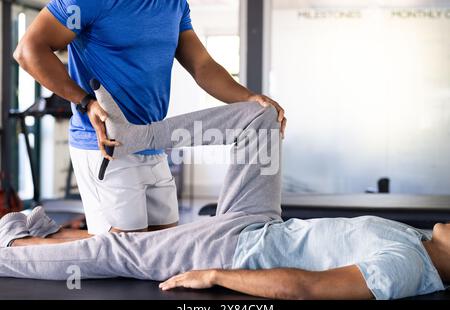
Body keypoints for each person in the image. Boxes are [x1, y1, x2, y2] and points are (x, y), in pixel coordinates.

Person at [0, 87, 447, 300]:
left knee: (117, 250)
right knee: (262, 118)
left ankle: (7, 251)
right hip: (262, 221)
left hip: (238, 250)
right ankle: (135, 137)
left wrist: (216, 275)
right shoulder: (418, 239)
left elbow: (306, 288)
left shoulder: (408, 265)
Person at [13, 0, 287, 236]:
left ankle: (40, 235)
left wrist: (248, 98)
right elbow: (28, 50)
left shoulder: (174, 4)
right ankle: (20, 242)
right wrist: (86, 102)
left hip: (153, 143)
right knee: (126, 257)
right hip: (108, 147)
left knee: (161, 251)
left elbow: (202, 65)